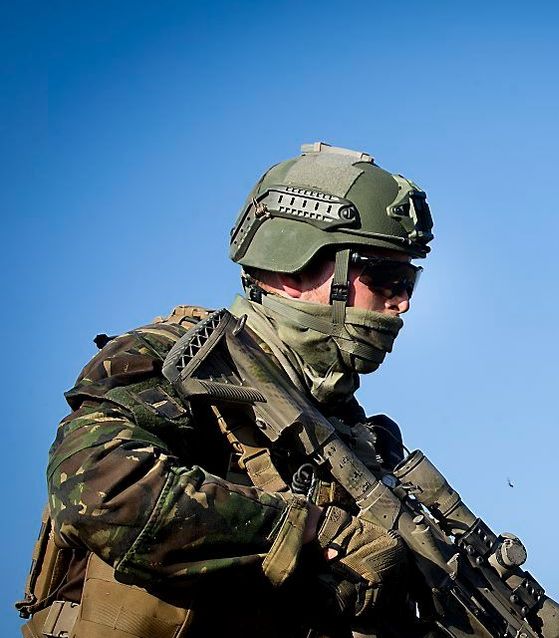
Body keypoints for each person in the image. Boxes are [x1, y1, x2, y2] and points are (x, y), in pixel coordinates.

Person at [18, 142, 435, 638]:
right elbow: (99, 488)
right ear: (295, 269)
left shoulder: (352, 435)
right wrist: (310, 531)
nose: (401, 303)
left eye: (408, 279)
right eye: (385, 276)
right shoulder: (177, 361)